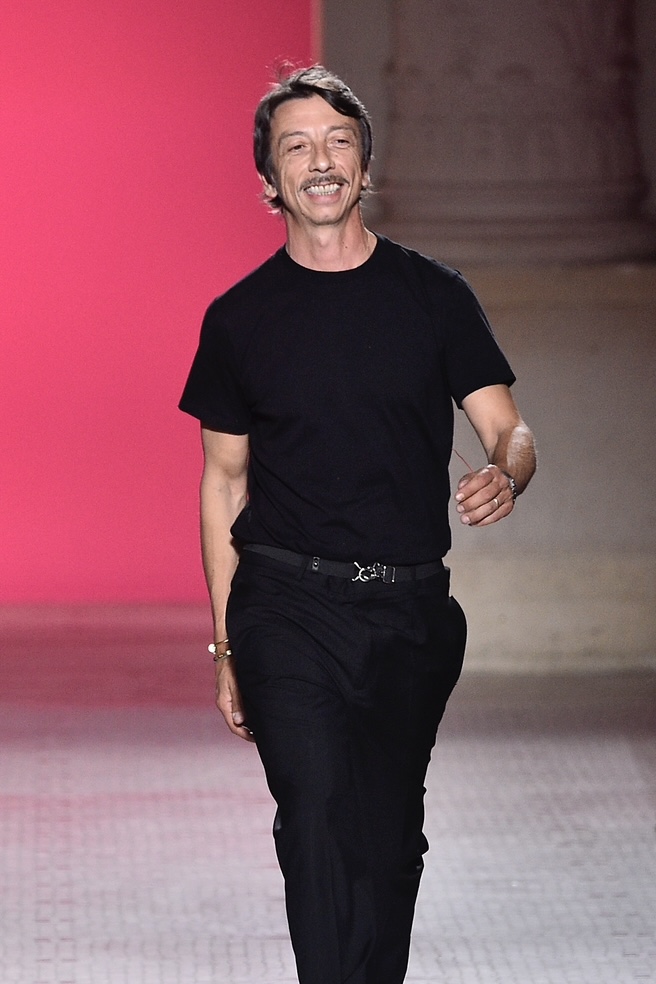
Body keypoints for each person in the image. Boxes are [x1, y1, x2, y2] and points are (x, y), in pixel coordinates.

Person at [179, 66, 536, 984]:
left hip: (409, 612)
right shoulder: (239, 319)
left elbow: (508, 428)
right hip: (285, 605)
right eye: (296, 146)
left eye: (338, 142)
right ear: (270, 178)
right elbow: (224, 483)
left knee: (387, 839)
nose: (321, 161)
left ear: (365, 165)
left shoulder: (434, 296)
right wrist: (225, 646)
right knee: (315, 820)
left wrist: (506, 472)